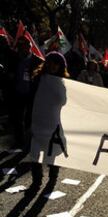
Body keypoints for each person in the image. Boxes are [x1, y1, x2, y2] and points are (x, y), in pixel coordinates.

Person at [28, 51, 70, 194]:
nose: (53, 66)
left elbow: (63, 101)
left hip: (53, 124)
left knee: (51, 153)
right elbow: (31, 100)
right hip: (38, 122)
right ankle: (36, 182)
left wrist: (55, 87)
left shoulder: (61, 84)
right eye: (51, 62)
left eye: (56, 64)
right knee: (34, 155)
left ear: (61, 66)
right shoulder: (38, 79)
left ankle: (52, 180)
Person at [9, 36, 43, 148]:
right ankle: (19, 142)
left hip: (31, 95)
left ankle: (29, 142)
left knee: (30, 119)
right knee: (17, 119)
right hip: (17, 94)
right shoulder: (14, 59)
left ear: (29, 47)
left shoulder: (38, 61)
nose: (21, 49)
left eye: (23, 47)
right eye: (20, 47)